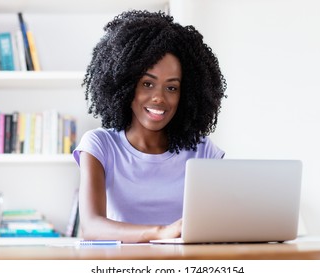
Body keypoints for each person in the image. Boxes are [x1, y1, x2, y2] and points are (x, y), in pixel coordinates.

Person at [73, 10, 227, 243]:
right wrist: (160, 233)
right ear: (125, 84)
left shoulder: (203, 150)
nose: (159, 98)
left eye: (172, 87)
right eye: (147, 83)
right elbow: (91, 227)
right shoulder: (100, 145)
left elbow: (220, 224)